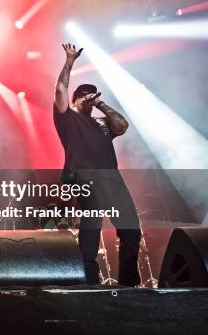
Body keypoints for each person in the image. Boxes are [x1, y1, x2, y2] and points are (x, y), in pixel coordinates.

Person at [53, 43, 141, 286]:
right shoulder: (68, 119)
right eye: (83, 95)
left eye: (92, 94)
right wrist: (70, 60)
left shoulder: (102, 123)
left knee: (131, 229)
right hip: (84, 176)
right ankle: (89, 281)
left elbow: (122, 126)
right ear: (75, 101)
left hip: (111, 177)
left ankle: (129, 283)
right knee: (92, 225)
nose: (88, 97)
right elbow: (60, 88)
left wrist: (100, 104)